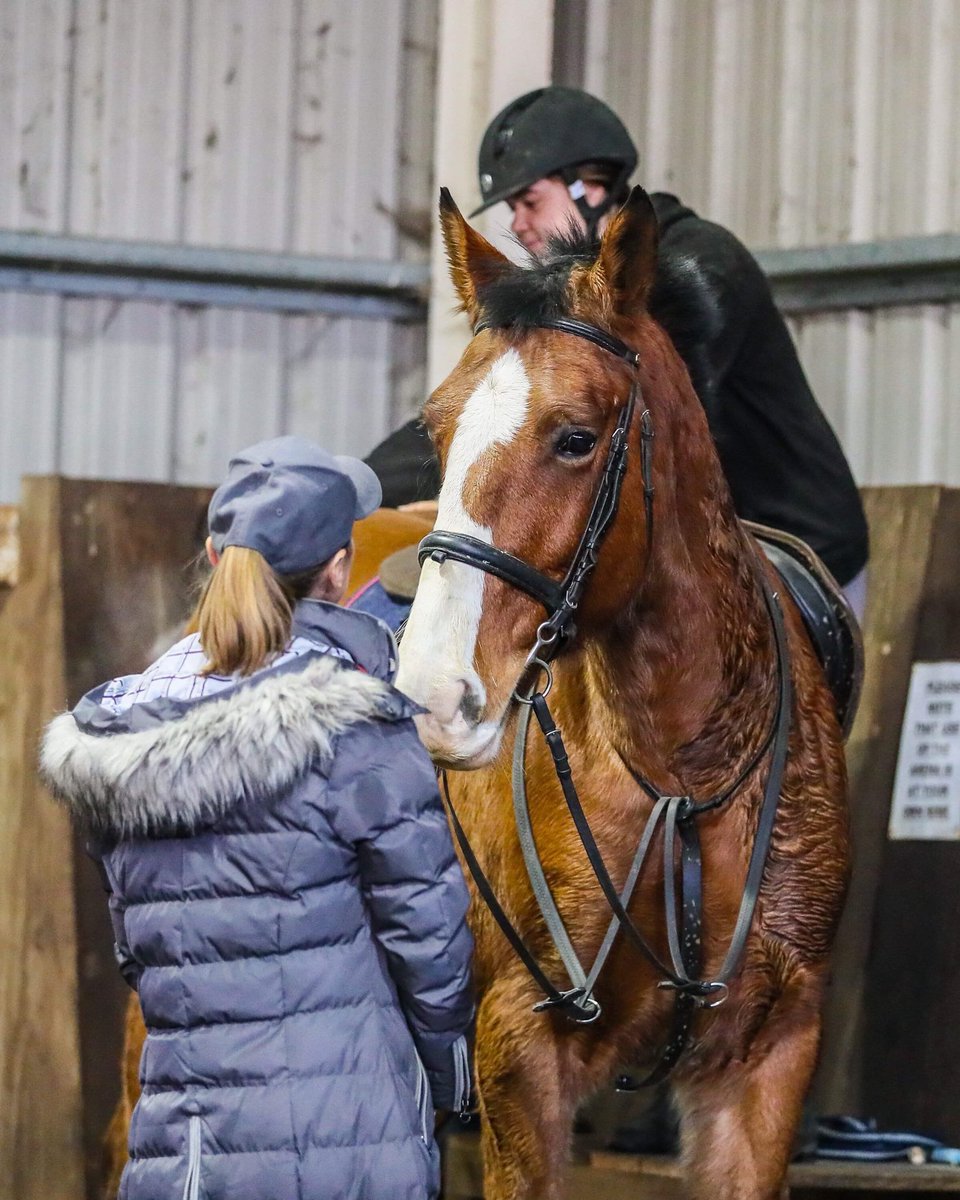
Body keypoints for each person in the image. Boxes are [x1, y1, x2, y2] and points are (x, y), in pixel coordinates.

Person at [41, 436, 473, 1200]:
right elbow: (429, 942)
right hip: (350, 1140)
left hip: (184, 1155)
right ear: (340, 570)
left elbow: (138, 953)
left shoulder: (119, 738)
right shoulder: (361, 732)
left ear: (214, 556)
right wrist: (448, 1079)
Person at [366, 86, 869, 615]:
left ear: (591, 187)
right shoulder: (577, 297)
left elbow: (593, 424)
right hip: (708, 548)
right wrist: (364, 485)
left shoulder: (703, 266)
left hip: (798, 546)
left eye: (530, 202)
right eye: (513, 208)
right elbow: (495, 410)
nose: (517, 224)